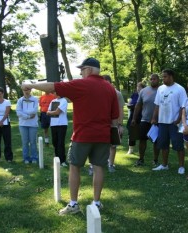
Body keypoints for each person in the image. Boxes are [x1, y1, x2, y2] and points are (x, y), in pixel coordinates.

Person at [21, 57, 119, 214]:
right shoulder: (110, 88)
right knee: (99, 167)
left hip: (82, 136)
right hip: (103, 135)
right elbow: (115, 115)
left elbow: (52, 86)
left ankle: (73, 204)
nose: (80, 72)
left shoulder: (81, 84)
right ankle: (97, 202)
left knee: (74, 167)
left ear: (88, 69)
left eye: (82, 69)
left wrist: (30, 85)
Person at [151, 69, 187, 174]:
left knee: (178, 145)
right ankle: (164, 165)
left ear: (171, 76)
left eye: (165, 77)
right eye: (162, 77)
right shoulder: (160, 89)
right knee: (163, 144)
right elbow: (157, 104)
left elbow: (183, 106)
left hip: (174, 123)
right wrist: (154, 117)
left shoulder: (180, 89)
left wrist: (178, 119)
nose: (163, 79)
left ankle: (181, 166)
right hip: (162, 122)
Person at [131, 74, 160, 166]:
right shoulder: (143, 91)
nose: (152, 81)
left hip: (158, 121)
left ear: (158, 80)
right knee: (142, 140)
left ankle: (155, 160)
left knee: (156, 141)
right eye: (151, 79)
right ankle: (141, 159)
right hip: (145, 119)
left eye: (154, 79)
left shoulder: (162, 90)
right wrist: (134, 118)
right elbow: (138, 105)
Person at [103, 75, 125, 173]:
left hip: (114, 124)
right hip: (101, 124)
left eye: (107, 82)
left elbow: (121, 110)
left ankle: (111, 164)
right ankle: (96, 165)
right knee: (99, 145)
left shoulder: (117, 94)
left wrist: (120, 125)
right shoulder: (97, 93)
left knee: (113, 145)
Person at [16, 88, 39, 164]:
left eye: (27, 90)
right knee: (25, 142)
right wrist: (28, 116)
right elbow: (18, 112)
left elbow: (35, 110)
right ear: (22, 91)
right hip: (23, 124)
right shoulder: (20, 100)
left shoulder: (35, 99)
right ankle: (25, 158)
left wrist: (24, 113)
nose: (26, 91)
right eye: (24, 90)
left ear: (30, 91)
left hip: (33, 124)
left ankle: (34, 158)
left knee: (33, 142)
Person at [47, 94, 68, 167]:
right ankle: (57, 159)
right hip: (53, 124)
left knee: (60, 143)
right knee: (55, 142)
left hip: (62, 124)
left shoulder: (64, 101)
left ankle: (62, 161)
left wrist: (51, 112)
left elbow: (57, 112)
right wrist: (51, 112)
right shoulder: (53, 101)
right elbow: (47, 112)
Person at [126, 82, 145, 154]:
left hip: (142, 116)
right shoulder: (134, 94)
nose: (138, 88)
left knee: (142, 133)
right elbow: (129, 103)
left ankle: (141, 149)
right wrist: (130, 105)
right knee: (131, 132)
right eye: (137, 87)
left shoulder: (145, 95)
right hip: (133, 116)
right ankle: (130, 149)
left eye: (139, 87)